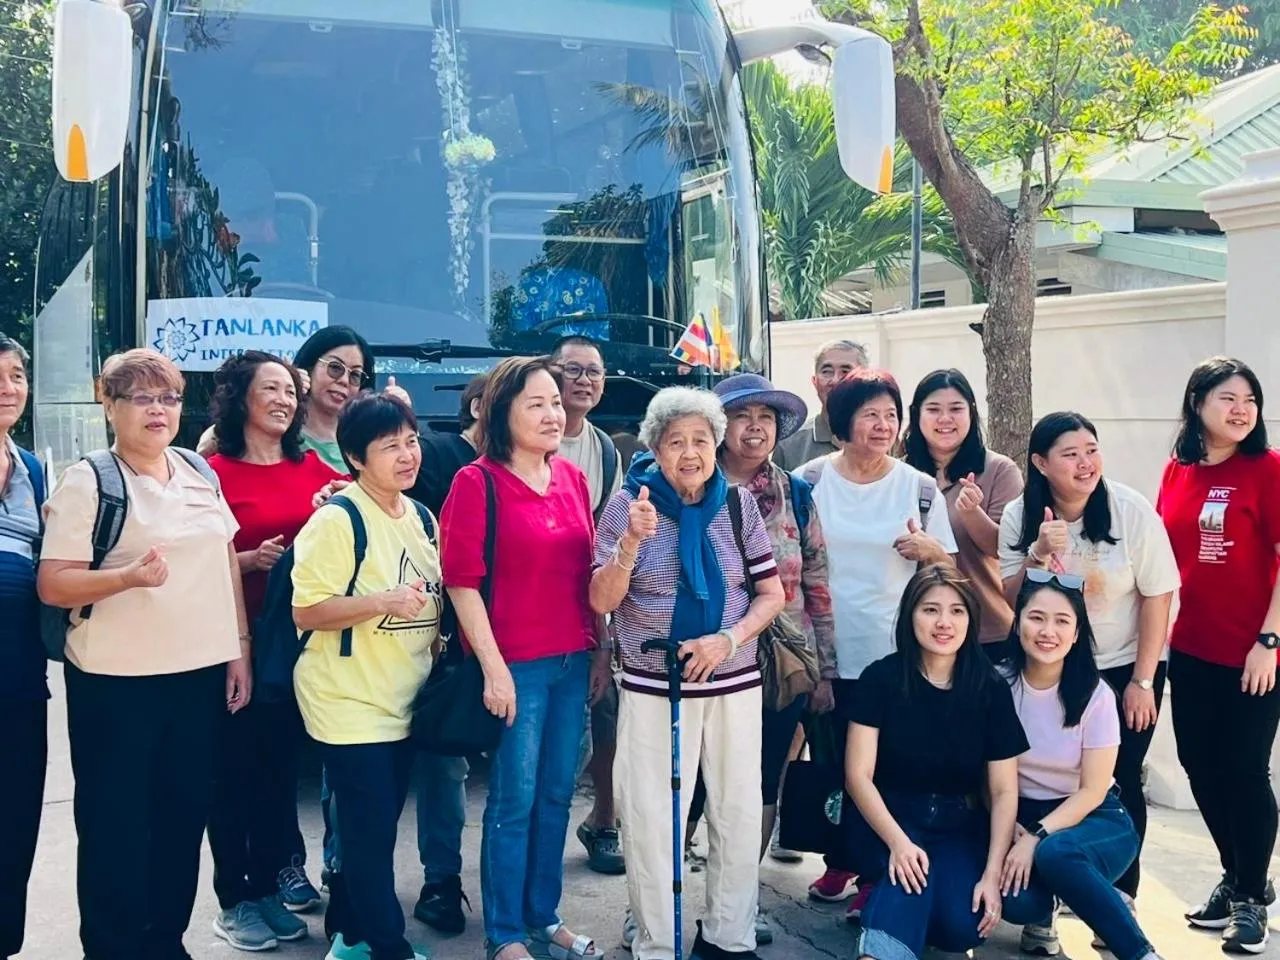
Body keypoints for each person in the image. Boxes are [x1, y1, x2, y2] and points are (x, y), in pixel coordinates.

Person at [37, 348, 252, 960]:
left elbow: (223, 565)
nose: (159, 410)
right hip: (116, 683)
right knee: (115, 826)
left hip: (196, 676)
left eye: (169, 398)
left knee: (183, 817)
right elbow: (54, 583)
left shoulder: (198, 470)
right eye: (141, 397)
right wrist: (126, 578)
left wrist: (238, 648)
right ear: (110, 406)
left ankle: (165, 943)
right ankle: (112, 948)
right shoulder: (90, 480)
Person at [591, 386, 787, 960]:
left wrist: (728, 639)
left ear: (715, 445)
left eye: (701, 439)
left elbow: (771, 593)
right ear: (655, 449)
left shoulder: (737, 505)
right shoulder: (626, 506)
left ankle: (729, 936)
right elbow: (600, 599)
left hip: (733, 678)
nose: (690, 452)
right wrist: (631, 541)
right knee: (653, 815)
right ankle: (656, 941)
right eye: (675, 441)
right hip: (655, 683)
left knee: (737, 809)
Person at [440, 356, 602, 960]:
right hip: (516, 667)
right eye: (536, 403)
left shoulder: (572, 479)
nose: (553, 413)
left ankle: (544, 915)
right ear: (502, 412)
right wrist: (493, 669)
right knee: (514, 800)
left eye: (555, 403)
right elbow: (461, 583)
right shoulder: (476, 481)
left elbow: (587, 575)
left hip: (572, 661)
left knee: (558, 795)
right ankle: (505, 933)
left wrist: (601, 650)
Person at [998, 412, 1179, 910]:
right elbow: (1011, 598)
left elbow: (1158, 596)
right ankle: (1047, 894)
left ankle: (1120, 892)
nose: (1086, 464)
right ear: (1040, 463)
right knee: (1048, 777)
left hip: (1123, 662)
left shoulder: (1129, 510)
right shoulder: (1019, 514)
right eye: (1071, 454)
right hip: (1046, 662)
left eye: (1092, 451)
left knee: (1120, 776)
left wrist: (1143, 681)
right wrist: (1037, 553)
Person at [796, 368, 957, 909]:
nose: (884, 425)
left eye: (891, 414)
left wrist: (931, 552)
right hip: (827, 651)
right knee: (833, 762)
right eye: (871, 414)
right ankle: (838, 860)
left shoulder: (919, 489)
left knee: (885, 768)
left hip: (894, 657)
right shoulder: (809, 481)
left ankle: (874, 874)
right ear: (843, 421)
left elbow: (949, 576)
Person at [291, 393, 442, 960]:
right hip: (348, 701)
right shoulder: (338, 519)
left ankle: (350, 935)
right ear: (355, 457)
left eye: (411, 442)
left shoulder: (420, 516)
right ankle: (387, 945)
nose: (407, 456)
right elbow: (307, 610)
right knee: (369, 832)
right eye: (389, 446)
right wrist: (382, 601)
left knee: (374, 825)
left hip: (403, 696)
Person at [204, 351, 344, 950]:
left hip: (295, 646)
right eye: (271, 389)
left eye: (291, 390)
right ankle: (234, 899)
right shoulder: (210, 473)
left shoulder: (311, 466)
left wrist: (337, 502)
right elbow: (191, 560)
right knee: (232, 773)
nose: (285, 400)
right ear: (240, 397)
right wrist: (246, 561)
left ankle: (265, 888)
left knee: (277, 773)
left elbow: (350, 519)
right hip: (233, 642)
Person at [702, 372, 835, 945]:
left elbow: (818, 582)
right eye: (742, 416)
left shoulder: (795, 495)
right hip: (704, 661)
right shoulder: (688, 483)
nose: (755, 428)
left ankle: (739, 899)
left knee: (760, 781)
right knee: (692, 783)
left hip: (780, 663)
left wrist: (823, 668)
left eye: (766, 418)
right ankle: (657, 903)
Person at [1157, 357, 1280, 954]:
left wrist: (1269, 642)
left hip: (1254, 652)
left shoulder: (1268, 468)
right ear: (1197, 403)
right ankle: (1238, 876)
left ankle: (1251, 897)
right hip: (1192, 646)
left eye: (1250, 400)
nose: (1241, 409)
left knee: (1245, 771)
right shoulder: (1177, 470)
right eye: (1228, 398)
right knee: (1199, 765)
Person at [842, 564, 1025, 960]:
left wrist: (991, 875)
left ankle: (892, 909)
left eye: (957, 611)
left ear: (971, 620)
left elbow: (1003, 790)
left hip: (956, 822)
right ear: (910, 615)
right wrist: (898, 842)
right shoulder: (881, 678)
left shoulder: (990, 688)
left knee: (962, 926)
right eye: (930, 610)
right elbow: (858, 775)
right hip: (888, 816)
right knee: (910, 877)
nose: (944, 623)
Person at [1000, 569, 1167, 960]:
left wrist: (1035, 837)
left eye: (1062, 621)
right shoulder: (997, 685)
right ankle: (1057, 901)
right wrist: (1009, 829)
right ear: (1018, 623)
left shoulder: (1096, 695)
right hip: (1017, 811)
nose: (1048, 632)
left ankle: (1140, 953)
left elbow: (1093, 790)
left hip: (1093, 816)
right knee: (1018, 902)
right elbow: (985, 777)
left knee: (1055, 853)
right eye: (1036, 618)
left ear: (1076, 634)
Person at [406, 373, 487, 936]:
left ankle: (441, 880)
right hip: (390, 639)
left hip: (457, 647)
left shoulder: (532, 471)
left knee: (445, 763)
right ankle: (345, 879)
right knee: (366, 771)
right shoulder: (436, 455)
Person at [548, 336, 627, 877]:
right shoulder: (521, 436)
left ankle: (603, 821)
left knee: (606, 710)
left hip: (587, 604)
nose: (584, 381)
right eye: (572, 370)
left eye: (594, 372)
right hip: (531, 609)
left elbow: (607, 540)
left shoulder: (604, 450)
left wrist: (603, 640)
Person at [902, 369, 1022, 655]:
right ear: (917, 415)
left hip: (987, 630)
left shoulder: (999, 470)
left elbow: (1004, 549)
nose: (945, 419)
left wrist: (971, 513)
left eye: (956, 409)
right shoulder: (900, 473)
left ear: (972, 412)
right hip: (917, 629)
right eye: (933, 409)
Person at [0, 335, 46, 960]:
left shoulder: (31, 469)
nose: (7, 387)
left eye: (15, 375)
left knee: (14, 820)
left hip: (19, 675)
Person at [772, 339, 867, 471]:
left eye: (845, 371)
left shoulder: (882, 438)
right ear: (814, 381)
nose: (835, 381)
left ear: (865, 380)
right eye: (827, 371)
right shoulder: (789, 446)